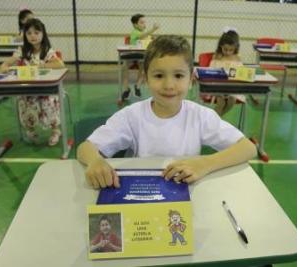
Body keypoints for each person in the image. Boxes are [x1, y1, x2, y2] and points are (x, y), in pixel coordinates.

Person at [77, 35, 256, 189]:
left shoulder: (200, 116)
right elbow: (85, 148)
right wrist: (95, 161)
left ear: (191, 79)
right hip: (141, 191)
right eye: (159, 76)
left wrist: (205, 163)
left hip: (185, 192)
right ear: (146, 78)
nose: (169, 85)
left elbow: (248, 148)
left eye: (178, 76)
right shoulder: (132, 116)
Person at [0, 18, 65, 146]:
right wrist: (4, 66)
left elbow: (60, 64)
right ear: (25, 35)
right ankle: (30, 130)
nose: (33, 36)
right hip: (27, 89)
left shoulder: (47, 51)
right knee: (24, 102)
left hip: (46, 89)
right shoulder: (22, 50)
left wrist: (41, 66)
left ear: (43, 34)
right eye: (29, 33)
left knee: (49, 102)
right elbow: (8, 61)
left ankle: (55, 131)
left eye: (36, 32)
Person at [121, 13, 159, 101]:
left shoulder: (146, 34)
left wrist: (152, 39)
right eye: (141, 23)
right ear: (135, 25)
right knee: (124, 66)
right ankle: (126, 89)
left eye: (144, 22)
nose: (144, 25)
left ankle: (137, 86)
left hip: (142, 56)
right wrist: (153, 29)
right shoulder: (135, 32)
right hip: (132, 55)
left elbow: (148, 39)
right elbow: (142, 36)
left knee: (144, 67)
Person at [209, 27, 245, 116]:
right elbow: (211, 71)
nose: (228, 52)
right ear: (221, 46)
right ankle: (215, 122)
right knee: (221, 102)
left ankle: (215, 121)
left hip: (232, 88)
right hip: (218, 87)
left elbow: (241, 73)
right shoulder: (217, 57)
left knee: (232, 100)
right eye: (225, 49)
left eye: (231, 50)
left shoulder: (237, 58)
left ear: (235, 48)